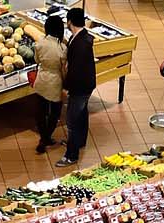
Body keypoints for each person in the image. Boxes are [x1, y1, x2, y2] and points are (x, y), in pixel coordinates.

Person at [58, 7, 96, 166]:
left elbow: (75, 70)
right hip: (87, 85)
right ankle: (80, 142)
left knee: (72, 120)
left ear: (70, 22)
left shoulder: (79, 43)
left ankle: (71, 156)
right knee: (82, 114)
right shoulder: (83, 37)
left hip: (80, 87)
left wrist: (66, 87)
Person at [31, 15, 67, 154]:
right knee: (55, 112)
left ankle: (43, 137)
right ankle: (46, 137)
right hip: (55, 81)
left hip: (42, 79)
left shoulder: (40, 43)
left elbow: (37, 60)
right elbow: (63, 68)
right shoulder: (62, 48)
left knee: (40, 111)